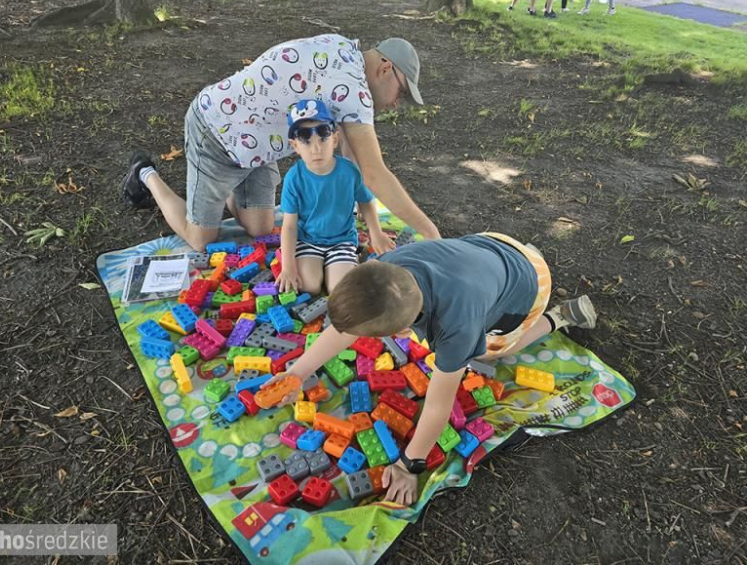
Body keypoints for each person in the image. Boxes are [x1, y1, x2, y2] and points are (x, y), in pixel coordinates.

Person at [261, 232, 598, 506]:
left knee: (491, 352)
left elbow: (439, 404)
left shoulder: (458, 328)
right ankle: (529, 257)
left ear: (399, 332)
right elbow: (343, 329)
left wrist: (410, 464)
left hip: (529, 285)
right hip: (497, 244)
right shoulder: (385, 270)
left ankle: (560, 316)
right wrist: (298, 373)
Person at [121, 34, 440, 252]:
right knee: (201, 239)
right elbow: (375, 173)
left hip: (256, 147)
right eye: (402, 93)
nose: (397, 104)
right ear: (385, 68)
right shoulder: (353, 90)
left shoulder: (345, 49)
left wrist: (358, 207)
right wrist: (431, 233)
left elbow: (352, 155)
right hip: (216, 132)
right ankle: (146, 174)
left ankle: (222, 193)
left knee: (260, 229)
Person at [276, 99, 395, 295]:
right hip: (308, 240)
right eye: (306, 141)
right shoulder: (294, 178)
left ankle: (362, 265)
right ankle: (325, 267)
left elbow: (366, 201)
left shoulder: (349, 172)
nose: (316, 149)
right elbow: (289, 225)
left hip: (342, 240)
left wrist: (376, 233)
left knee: (339, 289)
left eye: (322, 138)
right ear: (295, 146)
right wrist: (288, 267)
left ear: (335, 139)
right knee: (309, 286)